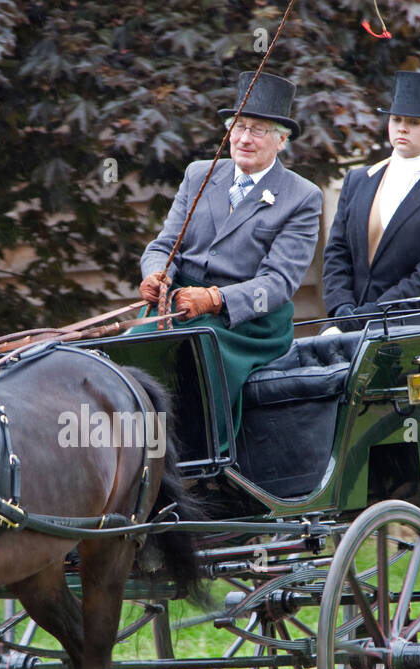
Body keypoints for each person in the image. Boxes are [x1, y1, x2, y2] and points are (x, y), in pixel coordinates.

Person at [137, 70, 322, 448]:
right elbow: (165, 244)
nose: (243, 138)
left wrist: (216, 299)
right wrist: (157, 274)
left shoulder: (301, 197)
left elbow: (277, 285)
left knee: (194, 353)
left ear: (282, 140)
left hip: (249, 322)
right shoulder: (199, 175)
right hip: (179, 306)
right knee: (131, 347)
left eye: (257, 129)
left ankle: (205, 461)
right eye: (238, 126)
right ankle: (135, 457)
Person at [321, 71, 420, 331]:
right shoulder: (357, 180)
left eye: (414, 122)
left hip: (411, 326)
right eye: (396, 119)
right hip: (347, 322)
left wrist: (369, 315)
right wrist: (341, 309)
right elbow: (336, 251)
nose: (402, 127)